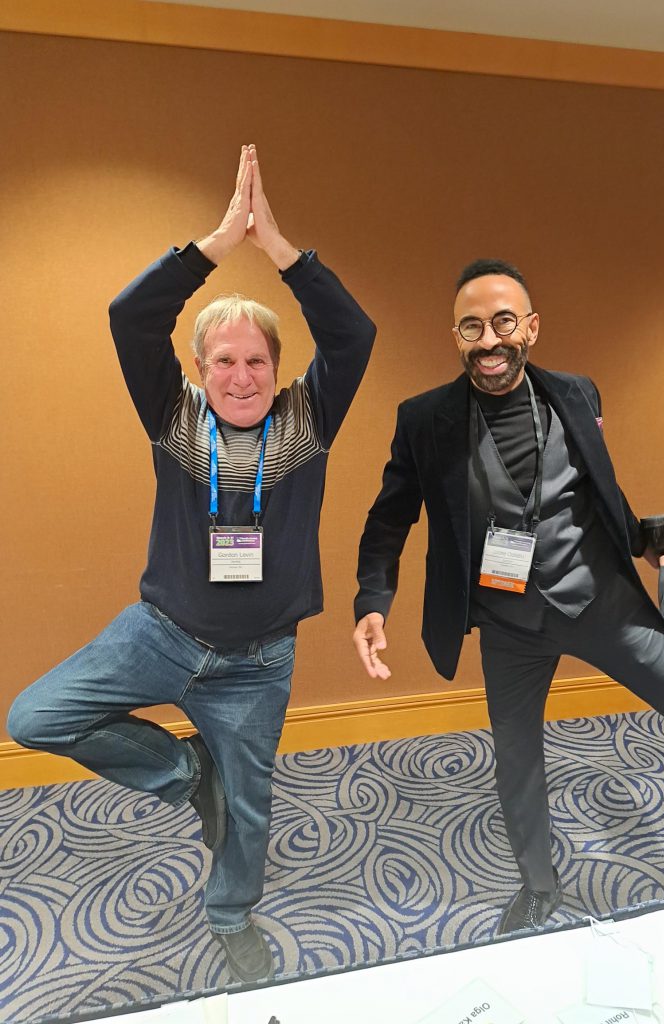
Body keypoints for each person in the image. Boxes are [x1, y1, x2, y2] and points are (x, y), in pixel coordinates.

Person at [8, 145, 376, 982]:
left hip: (257, 663)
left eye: (257, 361)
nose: (241, 376)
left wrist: (279, 249)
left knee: (249, 810)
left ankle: (230, 913)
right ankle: (185, 770)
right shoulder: (173, 416)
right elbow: (130, 316)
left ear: (278, 369)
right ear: (200, 369)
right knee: (36, 717)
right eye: (224, 361)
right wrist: (214, 245)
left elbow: (353, 333)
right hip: (161, 634)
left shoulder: (309, 419)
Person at [352, 257, 664, 933]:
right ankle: (538, 886)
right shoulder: (423, 419)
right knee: (516, 754)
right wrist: (373, 600)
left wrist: (646, 547)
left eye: (503, 322)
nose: (488, 340)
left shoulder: (578, 394)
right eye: (471, 327)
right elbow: (389, 518)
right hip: (508, 623)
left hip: (595, 602)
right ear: (456, 336)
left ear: (531, 327)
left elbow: (595, 484)